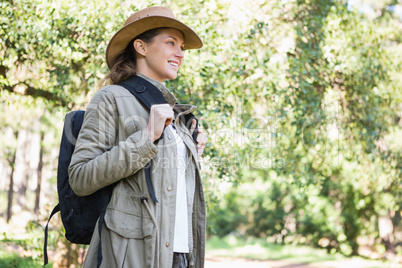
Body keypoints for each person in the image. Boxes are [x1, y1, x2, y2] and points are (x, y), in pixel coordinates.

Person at [68, 6, 207, 268]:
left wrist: (192, 152)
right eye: (170, 43)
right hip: (133, 257)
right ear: (141, 47)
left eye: (182, 47)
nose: (180, 53)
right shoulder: (110, 98)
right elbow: (80, 178)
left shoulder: (176, 115)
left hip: (179, 255)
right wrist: (146, 137)